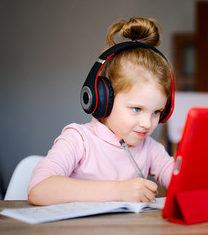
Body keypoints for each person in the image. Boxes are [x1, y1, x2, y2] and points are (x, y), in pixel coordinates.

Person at [27, 17, 175, 206]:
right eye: (137, 109)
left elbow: (186, 183)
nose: (147, 123)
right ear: (103, 98)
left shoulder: (150, 148)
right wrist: (118, 191)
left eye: (156, 112)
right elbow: (38, 190)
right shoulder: (78, 140)